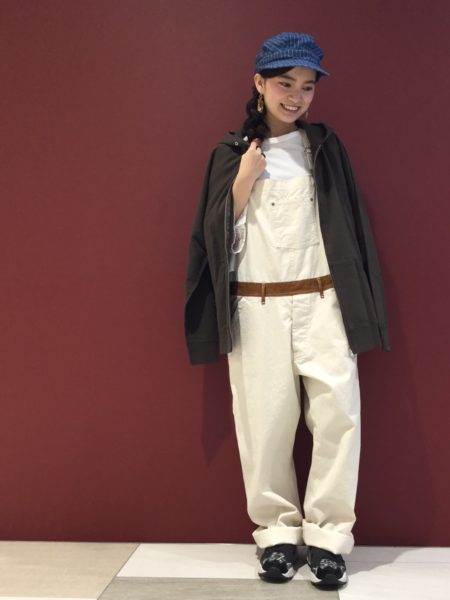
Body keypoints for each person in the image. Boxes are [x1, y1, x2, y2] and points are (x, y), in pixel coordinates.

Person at [184, 31, 391, 588]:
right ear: (259, 83)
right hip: (257, 307)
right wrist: (243, 182)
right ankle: (276, 536)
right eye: (285, 84)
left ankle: (328, 540)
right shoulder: (232, 155)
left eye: (307, 86)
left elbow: (350, 229)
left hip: (324, 301)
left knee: (338, 418)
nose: (296, 96)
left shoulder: (324, 148)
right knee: (264, 424)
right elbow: (211, 240)